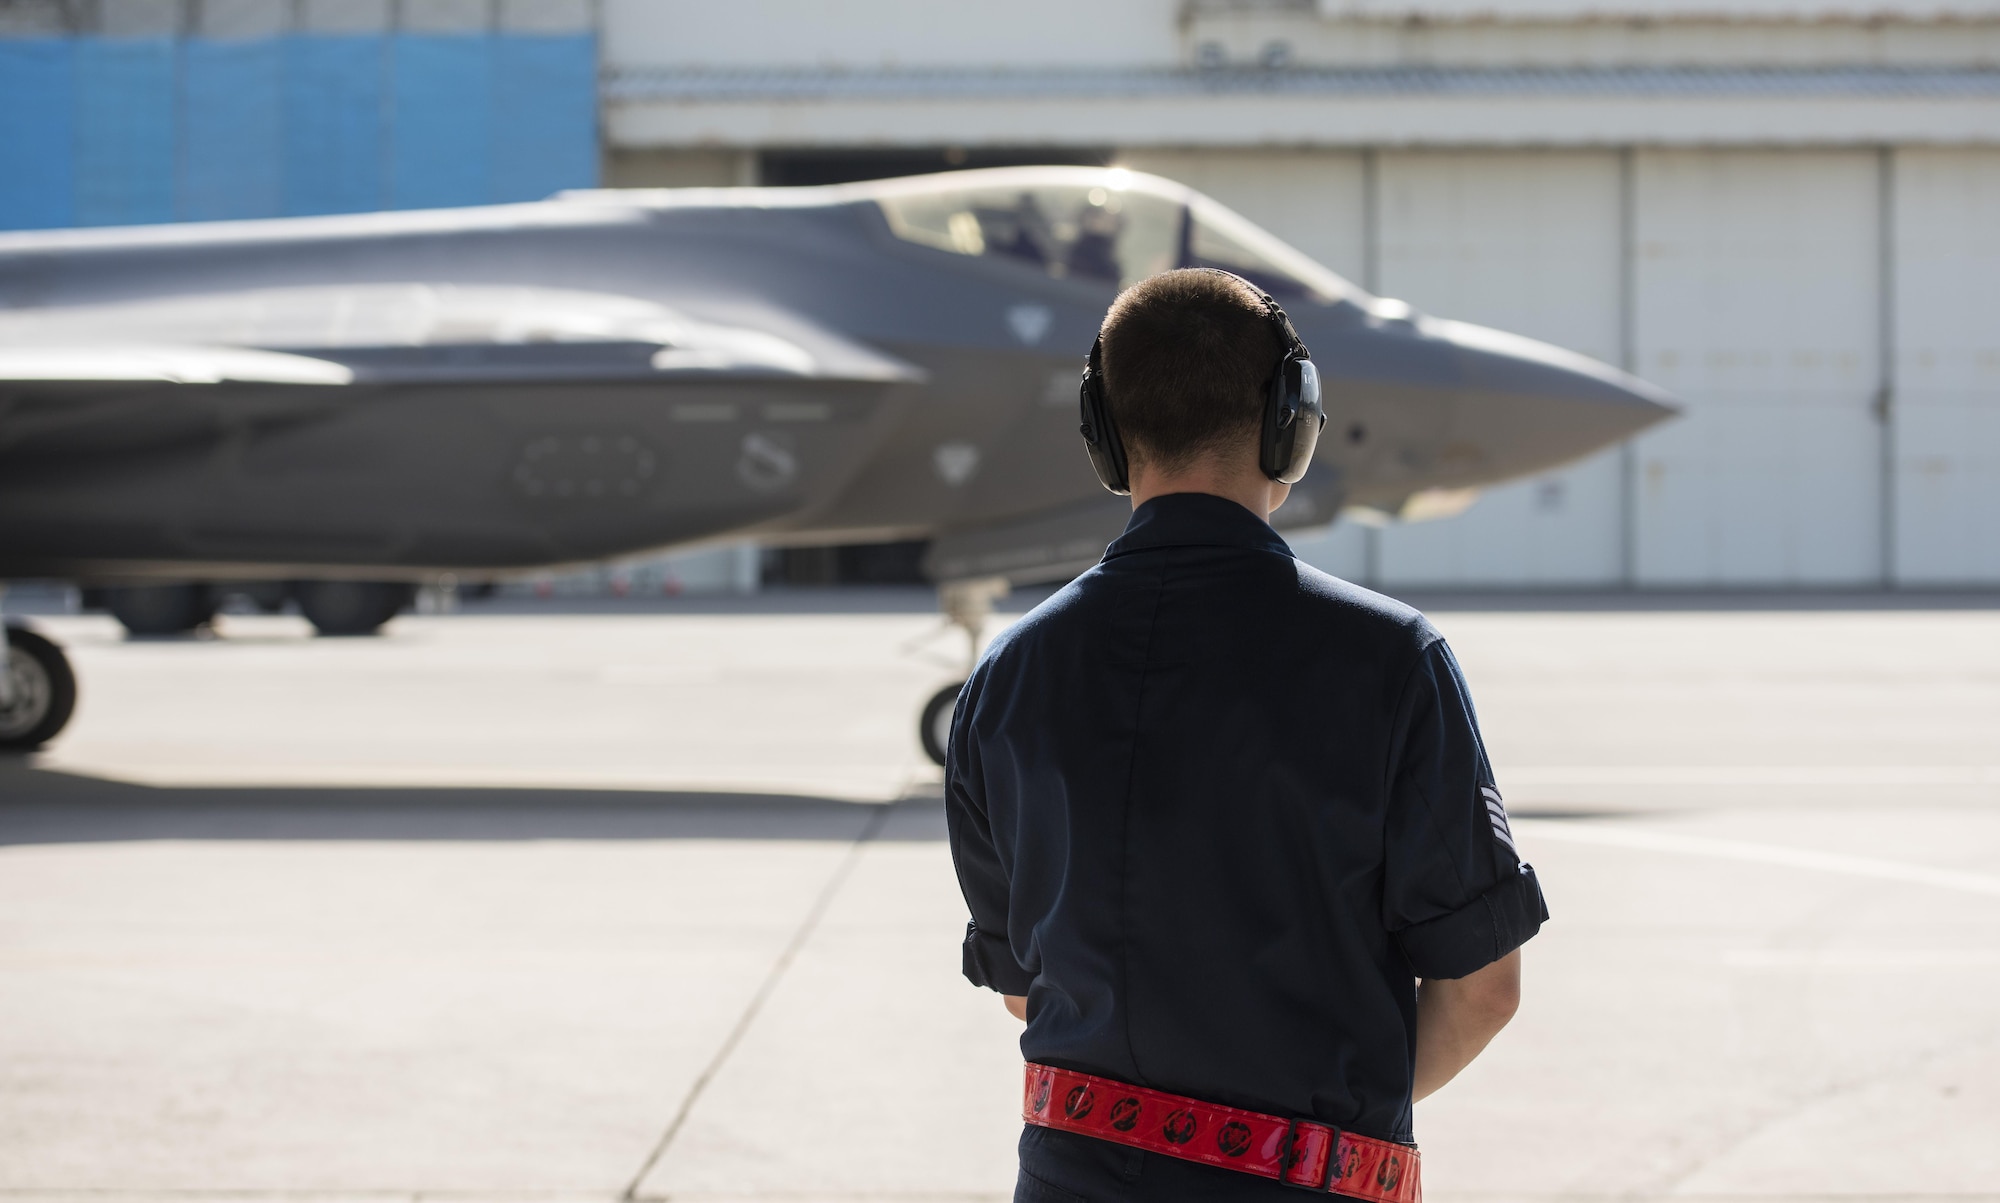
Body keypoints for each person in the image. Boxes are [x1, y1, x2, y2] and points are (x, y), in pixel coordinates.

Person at [944, 268, 1548, 1202]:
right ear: (1291, 424)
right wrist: (1316, 1129)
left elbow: (1031, 983)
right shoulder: (1391, 661)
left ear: (1104, 434)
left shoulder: (1004, 683)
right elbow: (1483, 988)